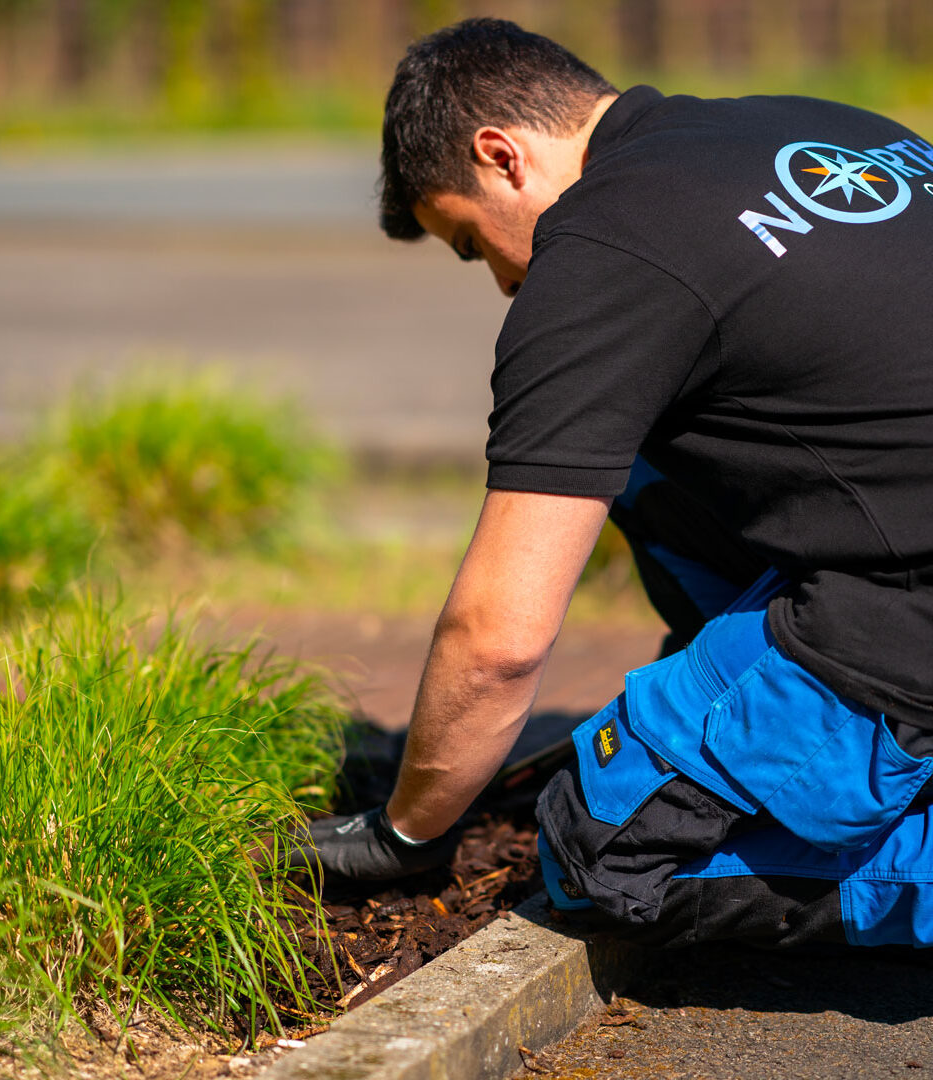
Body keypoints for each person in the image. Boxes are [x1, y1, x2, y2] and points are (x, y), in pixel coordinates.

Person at [294, 17, 933, 949]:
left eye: (472, 245)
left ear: (501, 156)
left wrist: (409, 832)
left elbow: (499, 639)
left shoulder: (602, 248)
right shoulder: (824, 124)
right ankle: (740, 706)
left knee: (603, 854)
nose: (505, 284)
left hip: (905, 615)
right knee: (633, 455)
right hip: (898, 525)